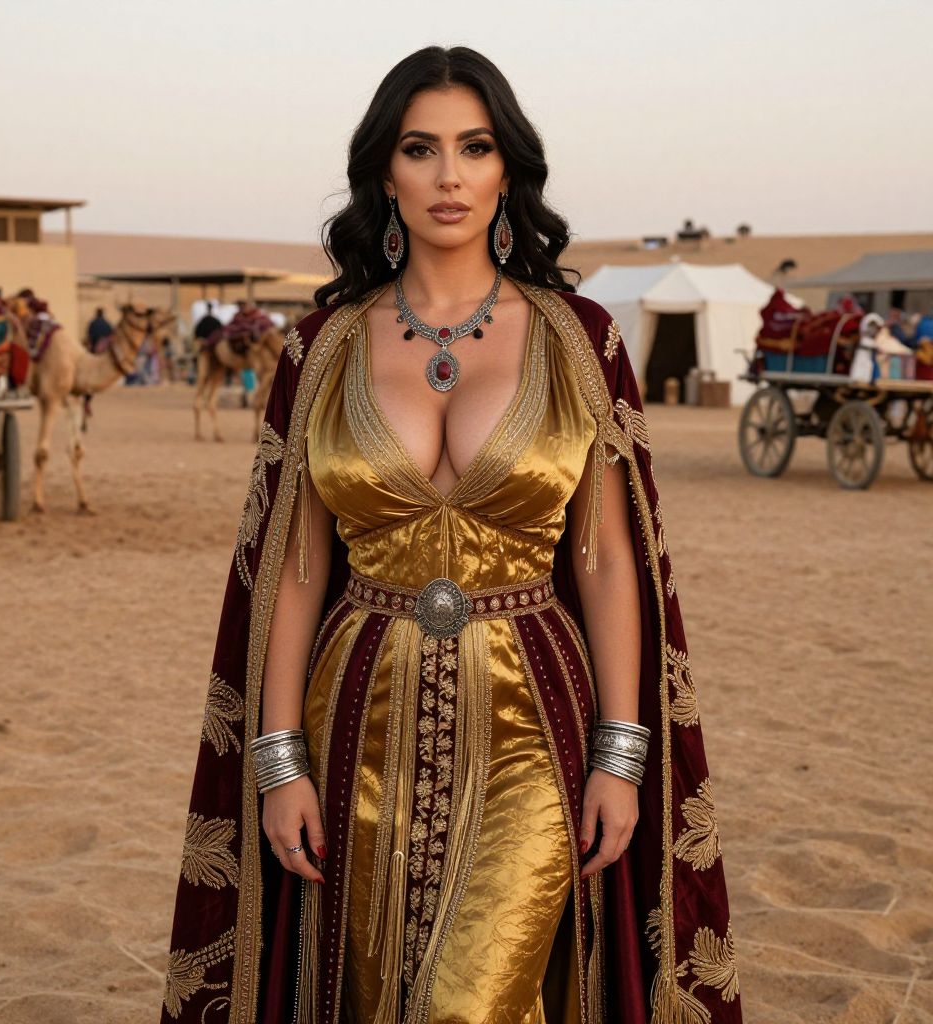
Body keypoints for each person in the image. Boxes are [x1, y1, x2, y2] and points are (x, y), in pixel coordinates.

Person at [160, 46, 741, 1024]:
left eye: (473, 147)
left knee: (470, 1000)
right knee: (366, 993)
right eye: (418, 148)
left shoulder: (579, 338)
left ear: (507, 167)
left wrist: (621, 755)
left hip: (534, 717)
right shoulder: (323, 345)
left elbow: (610, 570)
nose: (447, 174)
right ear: (384, 171)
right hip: (354, 717)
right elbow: (290, 576)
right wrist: (277, 760)